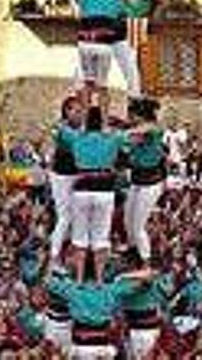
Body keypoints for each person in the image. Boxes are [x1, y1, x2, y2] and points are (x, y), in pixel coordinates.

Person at [59, 106, 127, 283]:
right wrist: (112, 125)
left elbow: (59, 129)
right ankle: (99, 280)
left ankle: (80, 279)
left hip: (81, 189)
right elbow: (128, 135)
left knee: (80, 238)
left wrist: (76, 122)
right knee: (101, 238)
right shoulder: (112, 138)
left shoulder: (76, 137)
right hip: (104, 190)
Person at [47, 266, 155, 359]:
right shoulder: (110, 289)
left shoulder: (73, 289)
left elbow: (47, 281)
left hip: (82, 348)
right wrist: (125, 276)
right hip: (100, 348)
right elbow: (149, 278)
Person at [75, 0, 141, 110]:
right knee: (93, 83)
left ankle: (132, 103)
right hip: (99, 41)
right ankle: (89, 116)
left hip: (110, 39)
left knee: (127, 72)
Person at [123, 97, 165, 266]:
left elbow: (148, 129)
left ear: (140, 116)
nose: (129, 118)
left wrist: (124, 132)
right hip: (137, 181)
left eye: (131, 115)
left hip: (151, 183)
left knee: (139, 226)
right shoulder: (136, 132)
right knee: (128, 220)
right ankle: (133, 253)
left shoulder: (153, 129)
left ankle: (146, 262)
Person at [49, 96, 85, 268]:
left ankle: (69, 255)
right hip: (61, 177)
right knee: (64, 217)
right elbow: (75, 141)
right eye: (75, 111)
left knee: (76, 218)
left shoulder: (80, 129)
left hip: (75, 176)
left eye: (81, 111)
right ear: (66, 111)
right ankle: (54, 256)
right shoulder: (62, 129)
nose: (79, 115)